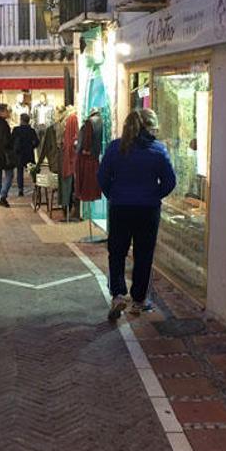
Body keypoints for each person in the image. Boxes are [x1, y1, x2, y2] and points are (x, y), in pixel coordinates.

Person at [97, 109, 176, 320]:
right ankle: (139, 301)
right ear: (149, 127)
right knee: (143, 254)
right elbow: (170, 182)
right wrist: (153, 195)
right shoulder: (158, 150)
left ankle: (118, 295)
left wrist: (113, 194)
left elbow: (102, 177)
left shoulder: (115, 148)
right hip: (147, 210)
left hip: (120, 207)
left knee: (117, 252)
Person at [12, 112, 39, 196]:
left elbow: (12, 141)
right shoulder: (31, 131)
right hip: (29, 153)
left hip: (19, 154)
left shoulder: (16, 130)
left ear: (21, 120)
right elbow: (37, 142)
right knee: (32, 171)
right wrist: (32, 146)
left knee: (20, 172)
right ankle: (36, 185)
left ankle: (20, 189)